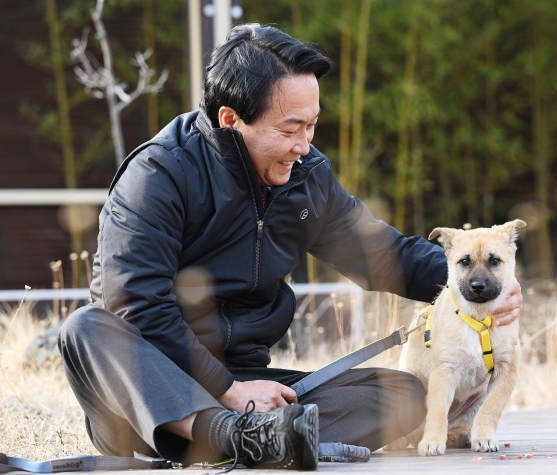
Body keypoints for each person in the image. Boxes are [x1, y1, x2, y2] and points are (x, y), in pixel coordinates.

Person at [58, 24, 522, 470]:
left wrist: (478, 285)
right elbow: (135, 305)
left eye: (312, 126)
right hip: (152, 392)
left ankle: (256, 437)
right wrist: (225, 390)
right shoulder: (159, 176)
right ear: (230, 119)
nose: (304, 145)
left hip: (252, 387)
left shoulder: (306, 177)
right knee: (86, 328)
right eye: (290, 129)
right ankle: (237, 436)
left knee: (403, 395)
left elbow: (386, 255)